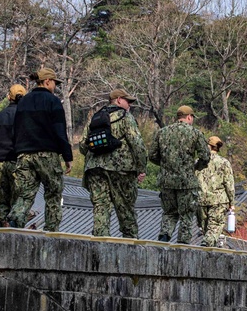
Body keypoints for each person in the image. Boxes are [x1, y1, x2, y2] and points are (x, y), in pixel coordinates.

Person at [8, 68, 73, 230]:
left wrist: (18, 151)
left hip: (24, 154)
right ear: (47, 81)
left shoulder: (23, 101)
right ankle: (51, 230)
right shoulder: (53, 101)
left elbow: (16, 129)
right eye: (54, 83)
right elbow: (60, 130)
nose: (55, 87)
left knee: (25, 193)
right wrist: (67, 156)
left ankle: (15, 222)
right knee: (53, 193)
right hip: (47, 153)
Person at [79, 88, 147, 238]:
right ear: (118, 100)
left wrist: (97, 155)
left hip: (94, 169)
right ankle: (130, 244)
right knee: (125, 207)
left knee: (100, 207)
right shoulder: (125, 117)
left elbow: (83, 145)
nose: (129, 105)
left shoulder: (95, 117)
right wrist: (141, 168)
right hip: (121, 169)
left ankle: (99, 243)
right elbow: (137, 144)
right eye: (127, 101)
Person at [148, 105, 210, 243]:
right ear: (189, 117)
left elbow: (152, 155)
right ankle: (182, 244)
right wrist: (195, 167)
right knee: (186, 215)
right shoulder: (195, 133)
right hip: (187, 182)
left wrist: (166, 165)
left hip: (166, 181)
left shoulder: (162, 132)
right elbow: (205, 156)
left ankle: (164, 237)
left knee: (169, 213)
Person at [0, 84, 27, 226]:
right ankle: (15, 229)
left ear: (8, 97)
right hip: (15, 162)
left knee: (3, 201)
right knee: (19, 201)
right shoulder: (24, 116)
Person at [196, 135, 235, 247]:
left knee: (205, 229)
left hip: (201, 200)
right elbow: (229, 184)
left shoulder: (198, 162)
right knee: (214, 228)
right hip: (218, 200)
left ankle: (207, 246)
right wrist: (232, 203)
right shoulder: (224, 162)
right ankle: (206, 246)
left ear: (208, 146)